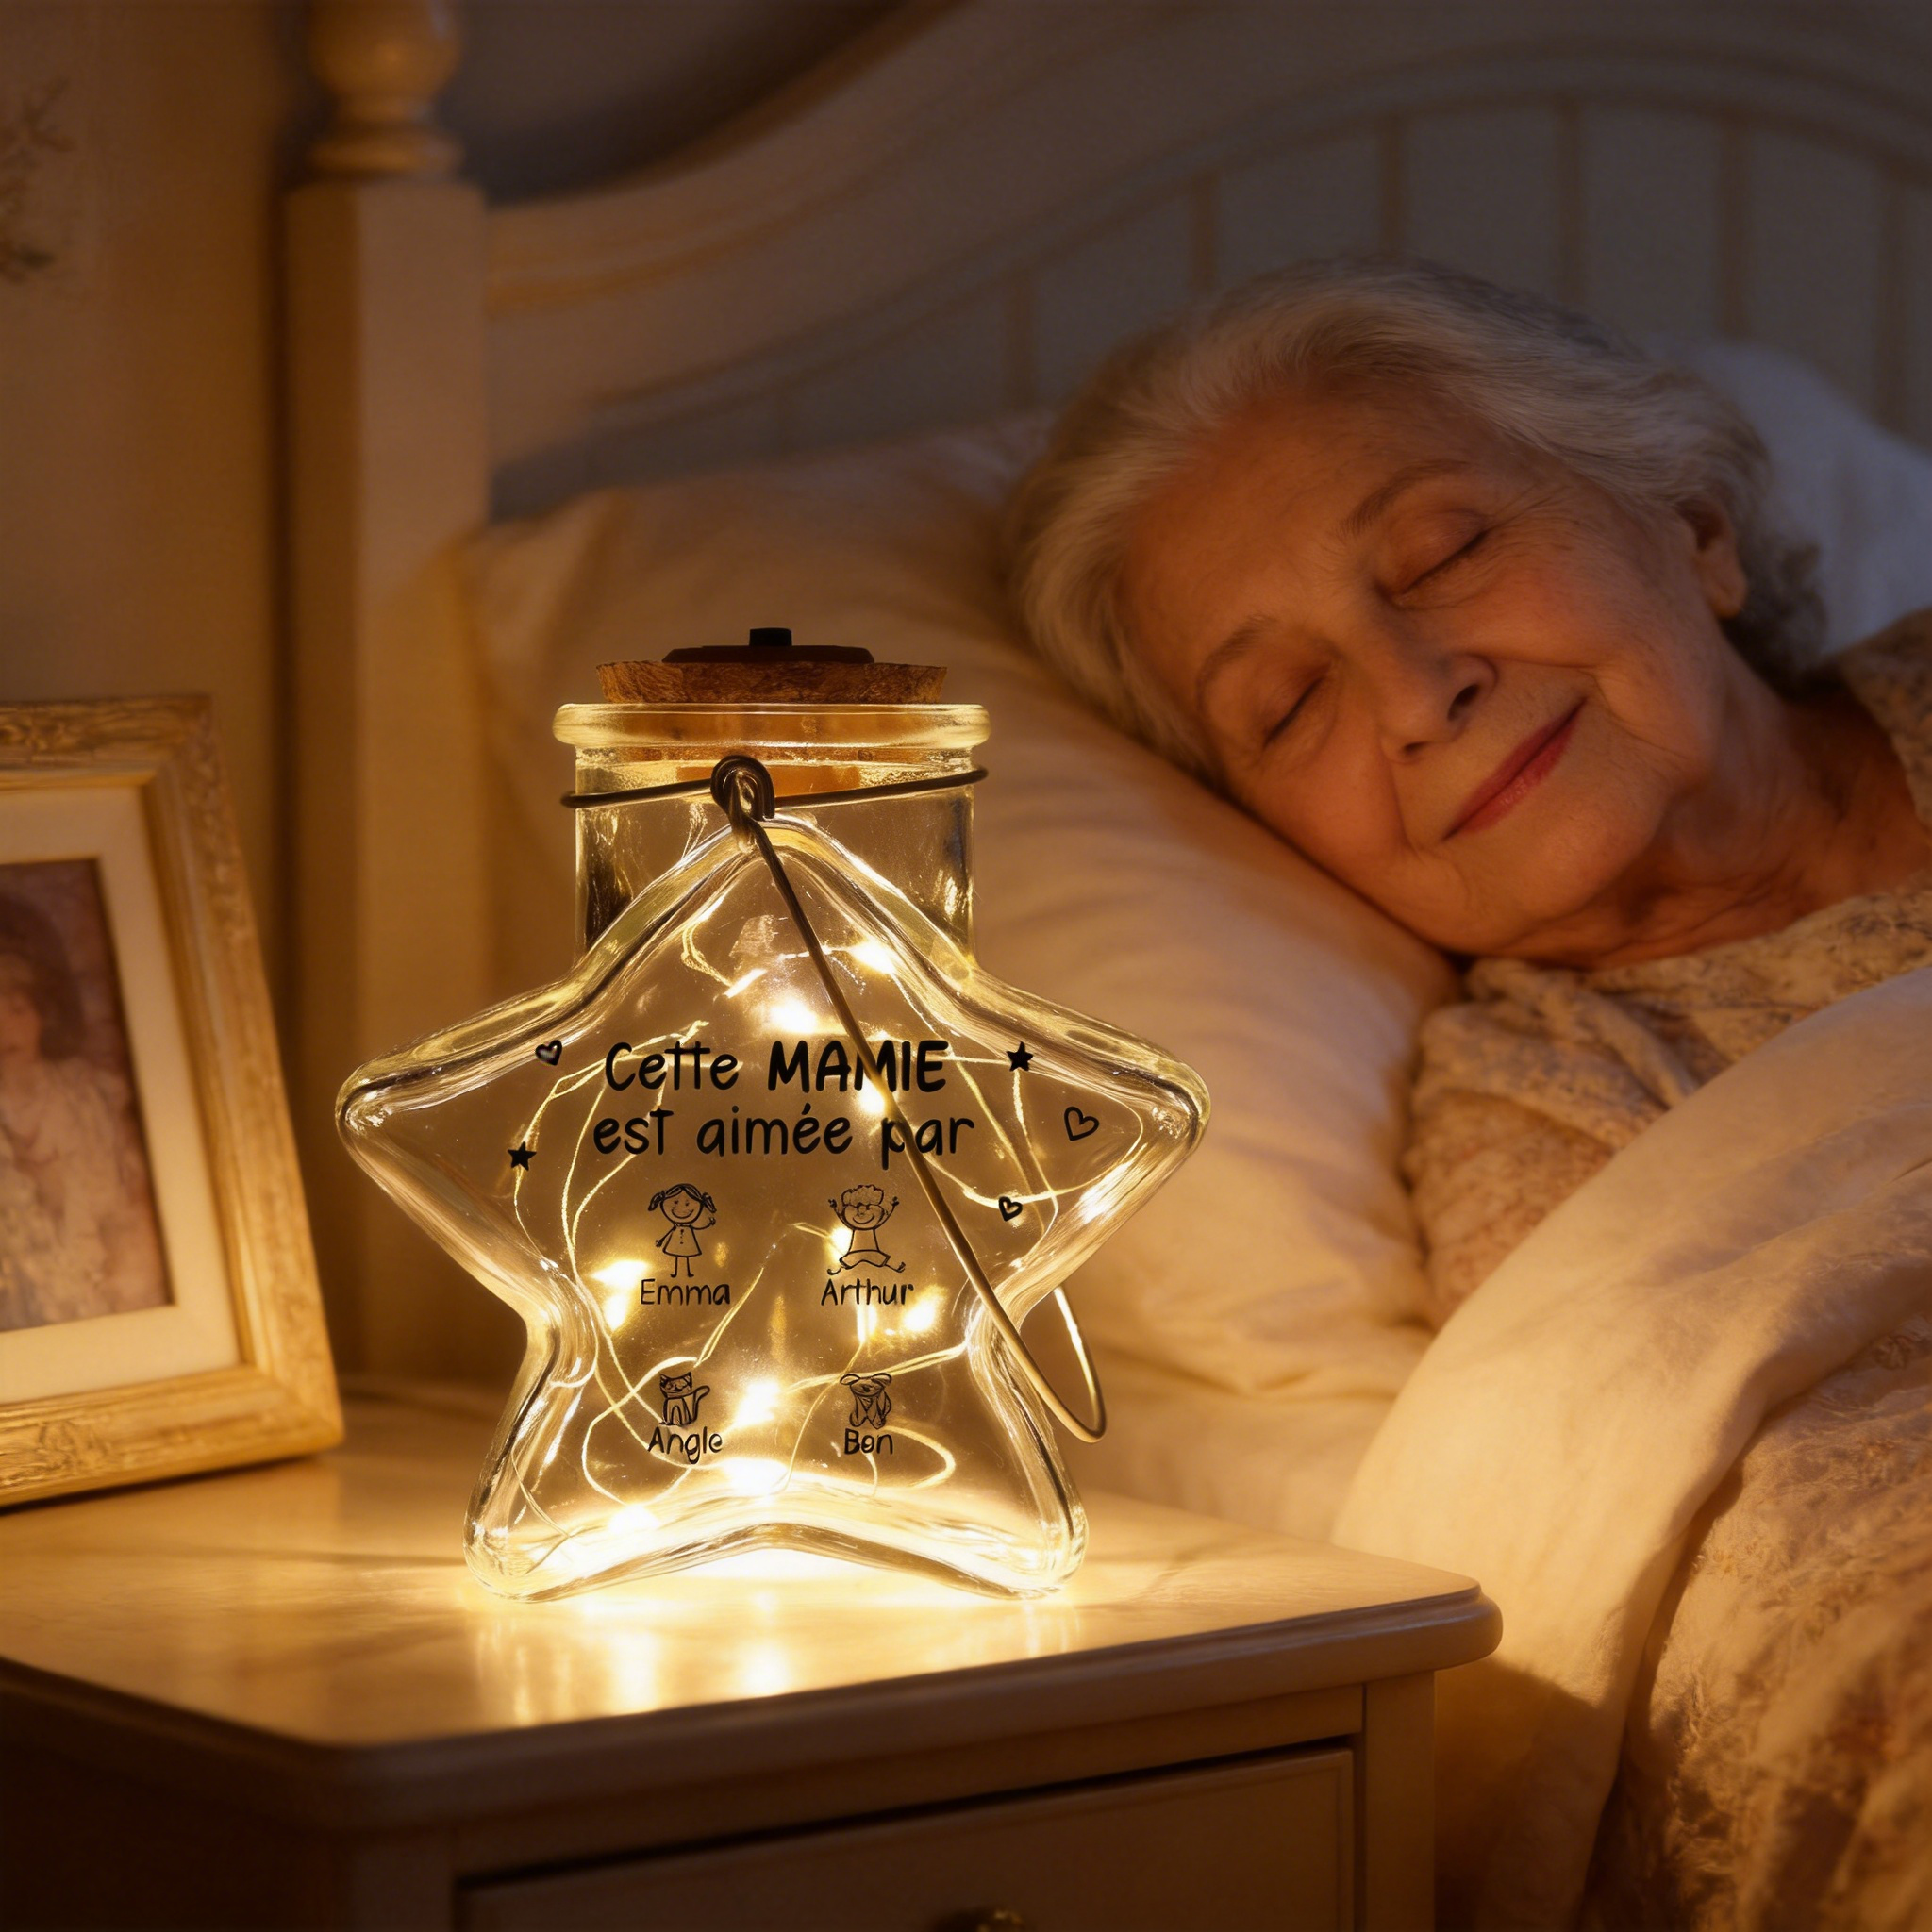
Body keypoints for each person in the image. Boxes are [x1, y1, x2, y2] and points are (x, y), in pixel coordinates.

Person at [1006, 258, 1932, 1324]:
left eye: (1444, 553)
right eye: (1290, 703)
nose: (1412, 697)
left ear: (1693, 522)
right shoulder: (1549, 1135)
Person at [0, 937, 167, 1329]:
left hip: (103, 1302)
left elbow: (129, 1214)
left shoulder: (88, 1097)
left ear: (43, 1015)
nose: (5, 1029)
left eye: (18, 1011)